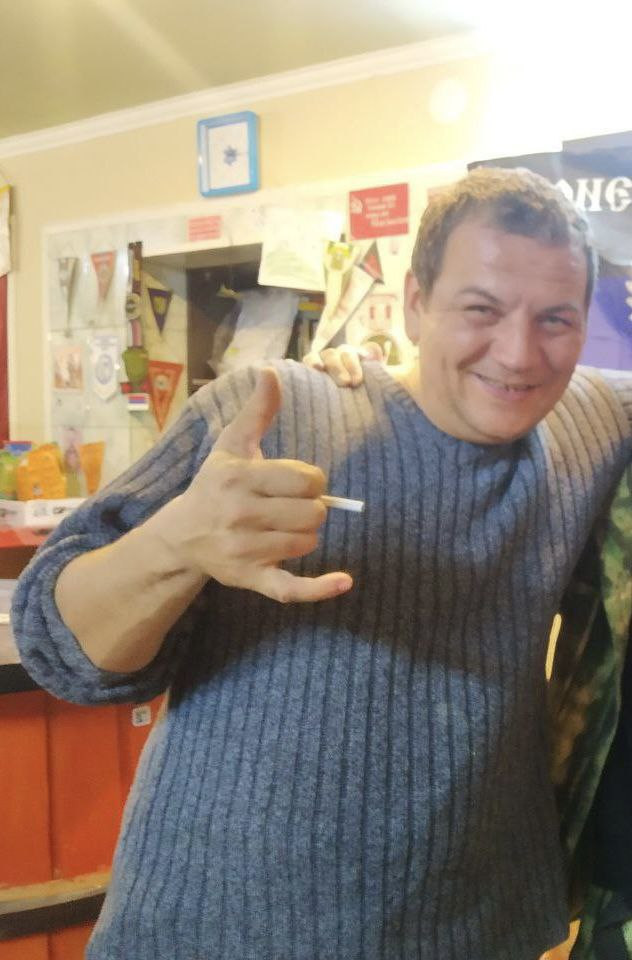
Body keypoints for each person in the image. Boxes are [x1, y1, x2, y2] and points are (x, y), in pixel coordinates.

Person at [12, 167, 632, 960]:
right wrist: (175, 543)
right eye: (481, 309)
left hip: (479, 932)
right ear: (415, 304)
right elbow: (60, 648)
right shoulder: (272, 412)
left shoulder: (593, 424)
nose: (518, 353)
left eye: (556, 320)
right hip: (213, 936)